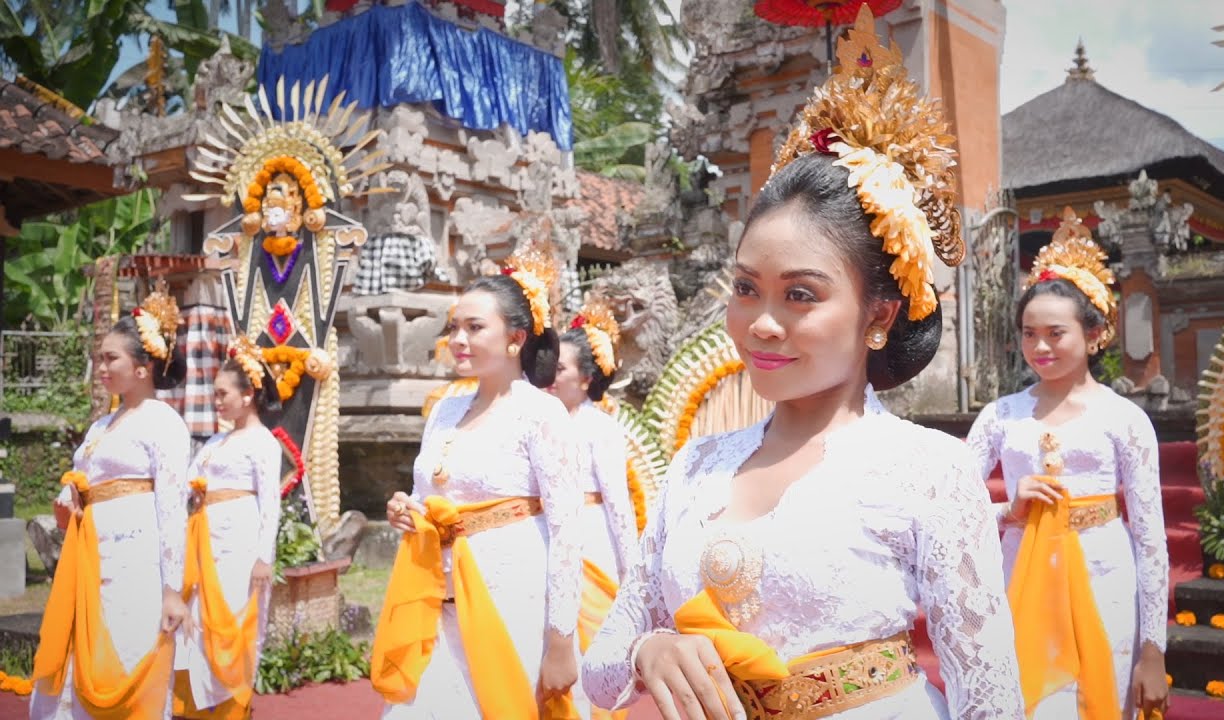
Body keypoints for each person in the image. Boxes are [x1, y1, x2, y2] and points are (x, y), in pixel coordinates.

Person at [580, 14, 1022, 719]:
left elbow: (990, 700)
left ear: (879, 315)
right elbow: (599, 673)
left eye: (801, 295)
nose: (761, 322)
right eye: (746, 288)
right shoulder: (696, 468)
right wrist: (648, 651)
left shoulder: (930, 472)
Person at [967, 211, 1169, 720]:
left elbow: (1151, 539)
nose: (1039, 347)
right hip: (1020, 575)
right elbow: (951, 508)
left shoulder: (1125, 419)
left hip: (1106, 577)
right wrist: (1008, 511)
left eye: (1055, 333)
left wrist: (1154, 651)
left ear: (1094, 333)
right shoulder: (999, 416)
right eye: (1028, 333)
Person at [372, 244, 589, 719]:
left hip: (511, 604)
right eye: (454, 327)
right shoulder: (444, 410)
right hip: (435, 599)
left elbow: (568, 532)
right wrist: (406, 508)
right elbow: (430, 494)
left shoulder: (541, 413)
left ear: (515, 338)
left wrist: (560, 641)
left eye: (474, 328)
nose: (458, 340)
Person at [31, 288, 194, 719]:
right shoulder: (101, 426)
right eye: (99, 358)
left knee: (127, 651)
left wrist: (172, 591)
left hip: (136, 562)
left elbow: (172, 510)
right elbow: (83, 483)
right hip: (89, 559)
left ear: (143, 367)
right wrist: (68, 500)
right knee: (75, 661)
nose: (101, 367)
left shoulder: (164, 422)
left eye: (110, 358)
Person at [173, 335, 284, 719]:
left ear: (248, 395)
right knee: (197, 620)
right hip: (202, 539)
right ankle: (193, 707)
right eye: (215, 394)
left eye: (223, 394)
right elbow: (187, 483)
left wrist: (263, 557)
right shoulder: (214, 442)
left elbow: (270, 503)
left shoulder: (263, 442)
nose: (216, 401)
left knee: (234, 617)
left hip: (239, 541)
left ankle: (231, 707)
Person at [549, 300, 641, 717]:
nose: (550, 377)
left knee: (593, 639)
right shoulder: (537, 421)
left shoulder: (600, 428)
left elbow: (619, 505)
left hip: (591, 539)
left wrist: (631, 575)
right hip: (547, 537)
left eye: (560, 369)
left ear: (586, 378)